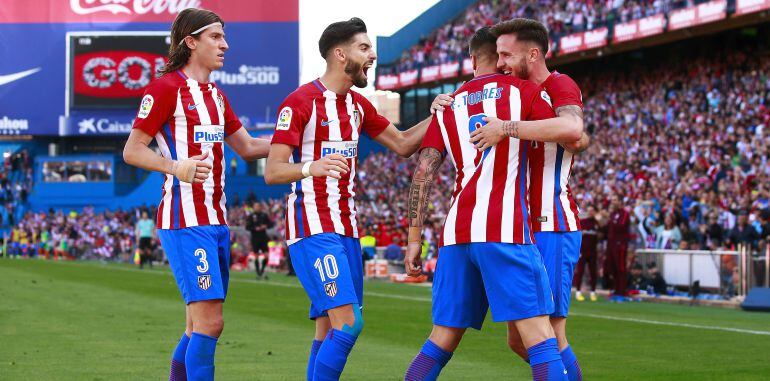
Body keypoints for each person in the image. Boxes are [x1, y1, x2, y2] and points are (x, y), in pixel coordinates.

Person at [403, 26, 581, 381]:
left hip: (456, 235)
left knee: (441, 340)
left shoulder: (448, 105)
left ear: (471, 59)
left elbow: (422, 173)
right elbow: (573, 134)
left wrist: (413, 239)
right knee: (542, 339)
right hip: (504, 229)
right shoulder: (523, 91)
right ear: (496, 57)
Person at [263, 17, 431, 381]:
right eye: (364, 48)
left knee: (327, 329)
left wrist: (443, 113)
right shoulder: (300, 102)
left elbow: (403, 144)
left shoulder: (357, 105)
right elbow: (273, 171)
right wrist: (312, 167)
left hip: (347, 230)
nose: (373, 56)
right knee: (349, 324)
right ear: (341, 54)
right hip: (313, 226)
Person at [122, 8, 270, 381]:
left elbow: (249, 147)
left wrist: (302, 141)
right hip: (185, 220)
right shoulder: (165, 88)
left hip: (216, 221)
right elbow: (132, 150)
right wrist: (176, 167)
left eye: (224, 36)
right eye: (216, 37)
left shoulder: (216, 97)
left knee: (196, 328)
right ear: (191, 42)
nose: (225, 44)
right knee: (210, 323)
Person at [605, 195, 631, 300]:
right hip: (611, 244)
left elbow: (621, 226)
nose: (612, 201)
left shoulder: (625, 214)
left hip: (620, 245)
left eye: (615, 200)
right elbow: (608, 228)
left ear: (620, 202)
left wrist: (609, 220)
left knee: (620, 268)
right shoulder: (613, 214)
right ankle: (615, 289)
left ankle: (622, 292)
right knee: (612, 268)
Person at [574, 206, 599, 302]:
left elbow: (599, 236)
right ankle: (578, 292)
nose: (591, 212)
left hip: (593, 252)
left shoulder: (596, 223)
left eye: (593, 210)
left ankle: (593, 292)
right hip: (583, 251)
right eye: (589, 211)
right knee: (580, 271)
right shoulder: (583, 222)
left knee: (593, 272)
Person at [246, 202, 272, 279]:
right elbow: (247, 227)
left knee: (267, 255)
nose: (257, 207)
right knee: (256, 255)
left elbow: (271, 224)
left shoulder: (264, 215)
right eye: (255, 206)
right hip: (255, 238)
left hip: (263, 237)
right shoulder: (251, 216)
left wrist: (266, 226)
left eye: (258, 206)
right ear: (253, 207)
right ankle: (258, 273)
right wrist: (255, 228)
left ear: (260, 207)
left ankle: (262, 271)